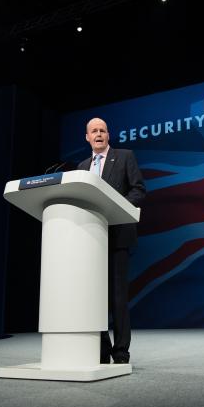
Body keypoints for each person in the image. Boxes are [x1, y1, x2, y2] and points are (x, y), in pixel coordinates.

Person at [76, 117, 146, 364]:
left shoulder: (125, 156)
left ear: (108, 135)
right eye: (93, 131)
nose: (98, 134)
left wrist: (117, 206)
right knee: (94, 297)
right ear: (87, 137)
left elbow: (138, 189)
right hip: (91, 239)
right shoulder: (82, 167)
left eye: (102, 130)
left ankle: (121, 351)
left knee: (117, 297)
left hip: (117, 235)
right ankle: (102, 349)